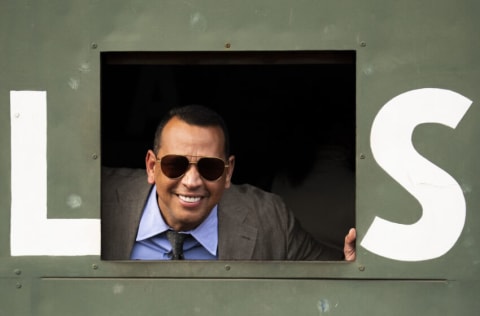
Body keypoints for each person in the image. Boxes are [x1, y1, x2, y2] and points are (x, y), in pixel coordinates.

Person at [101, 104, 356, 261]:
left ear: (228, 172)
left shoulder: (269, 219)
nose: (192, 181)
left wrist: (352, 263)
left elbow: (330, 274)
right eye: (175, 165)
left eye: (209, 167)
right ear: (151, 167)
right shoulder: (100, 199)